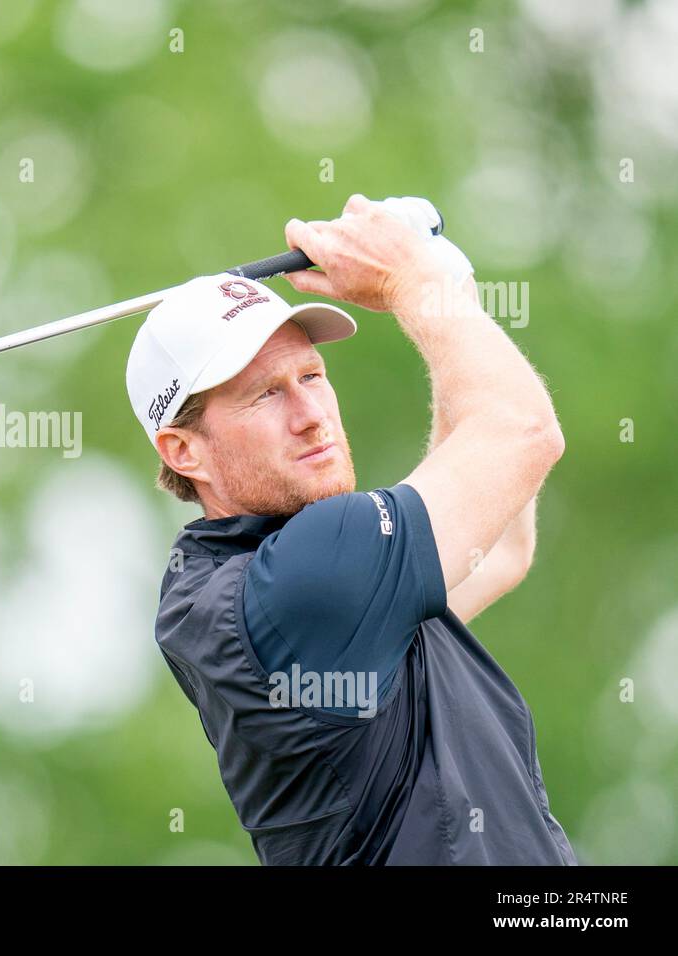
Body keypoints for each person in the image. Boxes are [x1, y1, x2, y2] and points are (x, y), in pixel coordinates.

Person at [125, 194, 576, 865]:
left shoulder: (293, 583)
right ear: (183, 451)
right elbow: (522, 432)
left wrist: (448, 291)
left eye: (312, 375)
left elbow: (502, 543)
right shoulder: (301, 584)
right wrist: (411, 282)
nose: (311, 414)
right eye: (267, 394)